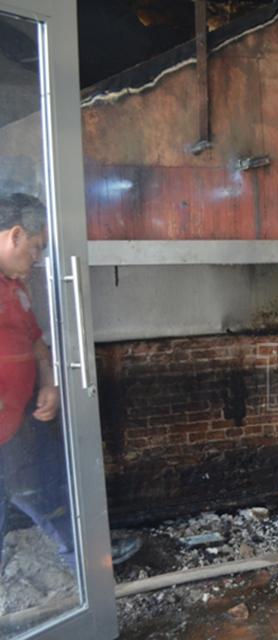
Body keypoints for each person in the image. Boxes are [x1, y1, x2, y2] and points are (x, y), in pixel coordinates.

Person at [0, 193, 139, 573]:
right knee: (30, 490)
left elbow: (34, 340)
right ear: (14, 235)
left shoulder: (14, 286)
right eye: (35, 248)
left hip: (19, 418)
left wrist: (49, 383)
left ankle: (85, 557)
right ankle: (85, 562)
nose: (36, 259)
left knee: (44, 485)